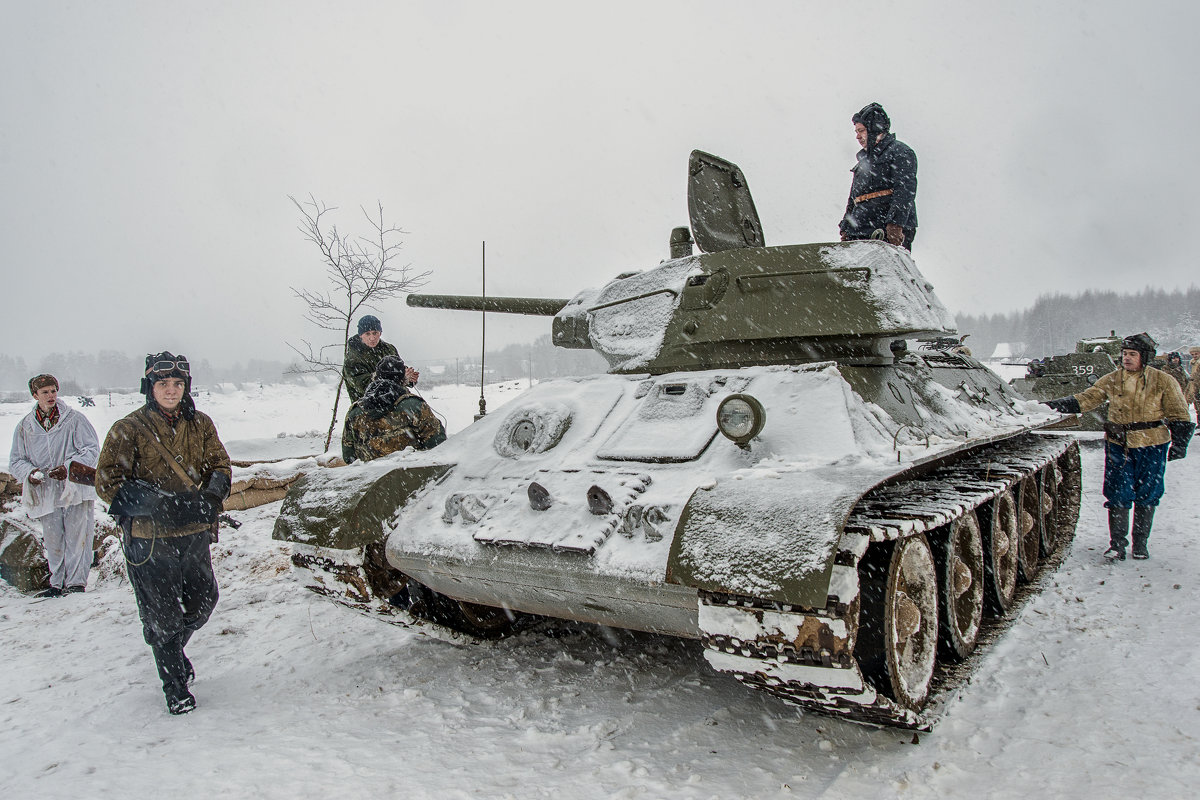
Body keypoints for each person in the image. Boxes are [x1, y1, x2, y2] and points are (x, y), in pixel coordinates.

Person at [95, 353, 231, 715]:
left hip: (194, 533)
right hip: (149, 538)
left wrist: (212, 497)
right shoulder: (129, 428)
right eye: (163, 384)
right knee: (163, 614)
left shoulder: (200, 423)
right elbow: (107, 480)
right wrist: (157, 505)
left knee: (203, 602)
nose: (171, 391)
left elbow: (219, 463)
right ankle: (174, 684)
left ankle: (171, 650)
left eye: (177, 384)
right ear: (150, 387)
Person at [1045, 333, 1194, 561]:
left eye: (1132, 354)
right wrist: (1051, 406)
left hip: (1152, 444)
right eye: (1124, 354)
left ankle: (1140, 544)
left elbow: (1179, 413)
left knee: (1148, 493)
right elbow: (1087, 398)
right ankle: (1117, 544)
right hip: (1120, 445)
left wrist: (1179, 443)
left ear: (1144, 357)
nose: (1126, 358)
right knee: (1118, 492)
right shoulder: (1112, 379)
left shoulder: (1163, 381)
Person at [7, 374, 100, 597]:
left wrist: (69, 467)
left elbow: (91, 449)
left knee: (78, 535)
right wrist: (31, 473)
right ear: (35, 395)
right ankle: (57, 583)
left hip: (74, 487)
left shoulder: (75, 419)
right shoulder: (25, 427)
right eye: (45, 392)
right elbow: (16, 460)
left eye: (53, 391)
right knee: (53, 538)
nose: (51, 396)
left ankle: (77, 583)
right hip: (46, 490)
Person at [839, 102, 918, 250]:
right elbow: (854, 197)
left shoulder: (900, 152)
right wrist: (846, 225)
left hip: (883, 227)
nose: (857, 136)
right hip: (860, 228)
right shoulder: (863, 161)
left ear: (875, 128)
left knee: (884, 272)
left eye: (861, 131)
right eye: (856, 131)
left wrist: (895, 224)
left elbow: (905, 191)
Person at [342, 355, 446, 463]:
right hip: (410, 474)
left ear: (375, 377)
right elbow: (437, 444)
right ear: (402, 378)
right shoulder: (413, 405)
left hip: (371, 477)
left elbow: (348, 456)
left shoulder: (355, 411)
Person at [343, 314, 419, 403]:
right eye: (367, 334)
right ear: (360, 335)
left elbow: (398, 369)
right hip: (368, 407)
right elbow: (365, 386)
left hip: (398, 402)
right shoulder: (352, 359)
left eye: (375, 333)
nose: (372, 338)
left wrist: (408, 377)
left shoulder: (389, 349)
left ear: (380, 333)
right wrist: (398, 377)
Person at [1187, 346, 1200, 424]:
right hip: (1195, 387)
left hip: (1198, 387)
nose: (1194, 356)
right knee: (1197, 407)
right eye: (1192, 354)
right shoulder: (1193, 363)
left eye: (1196, 354)